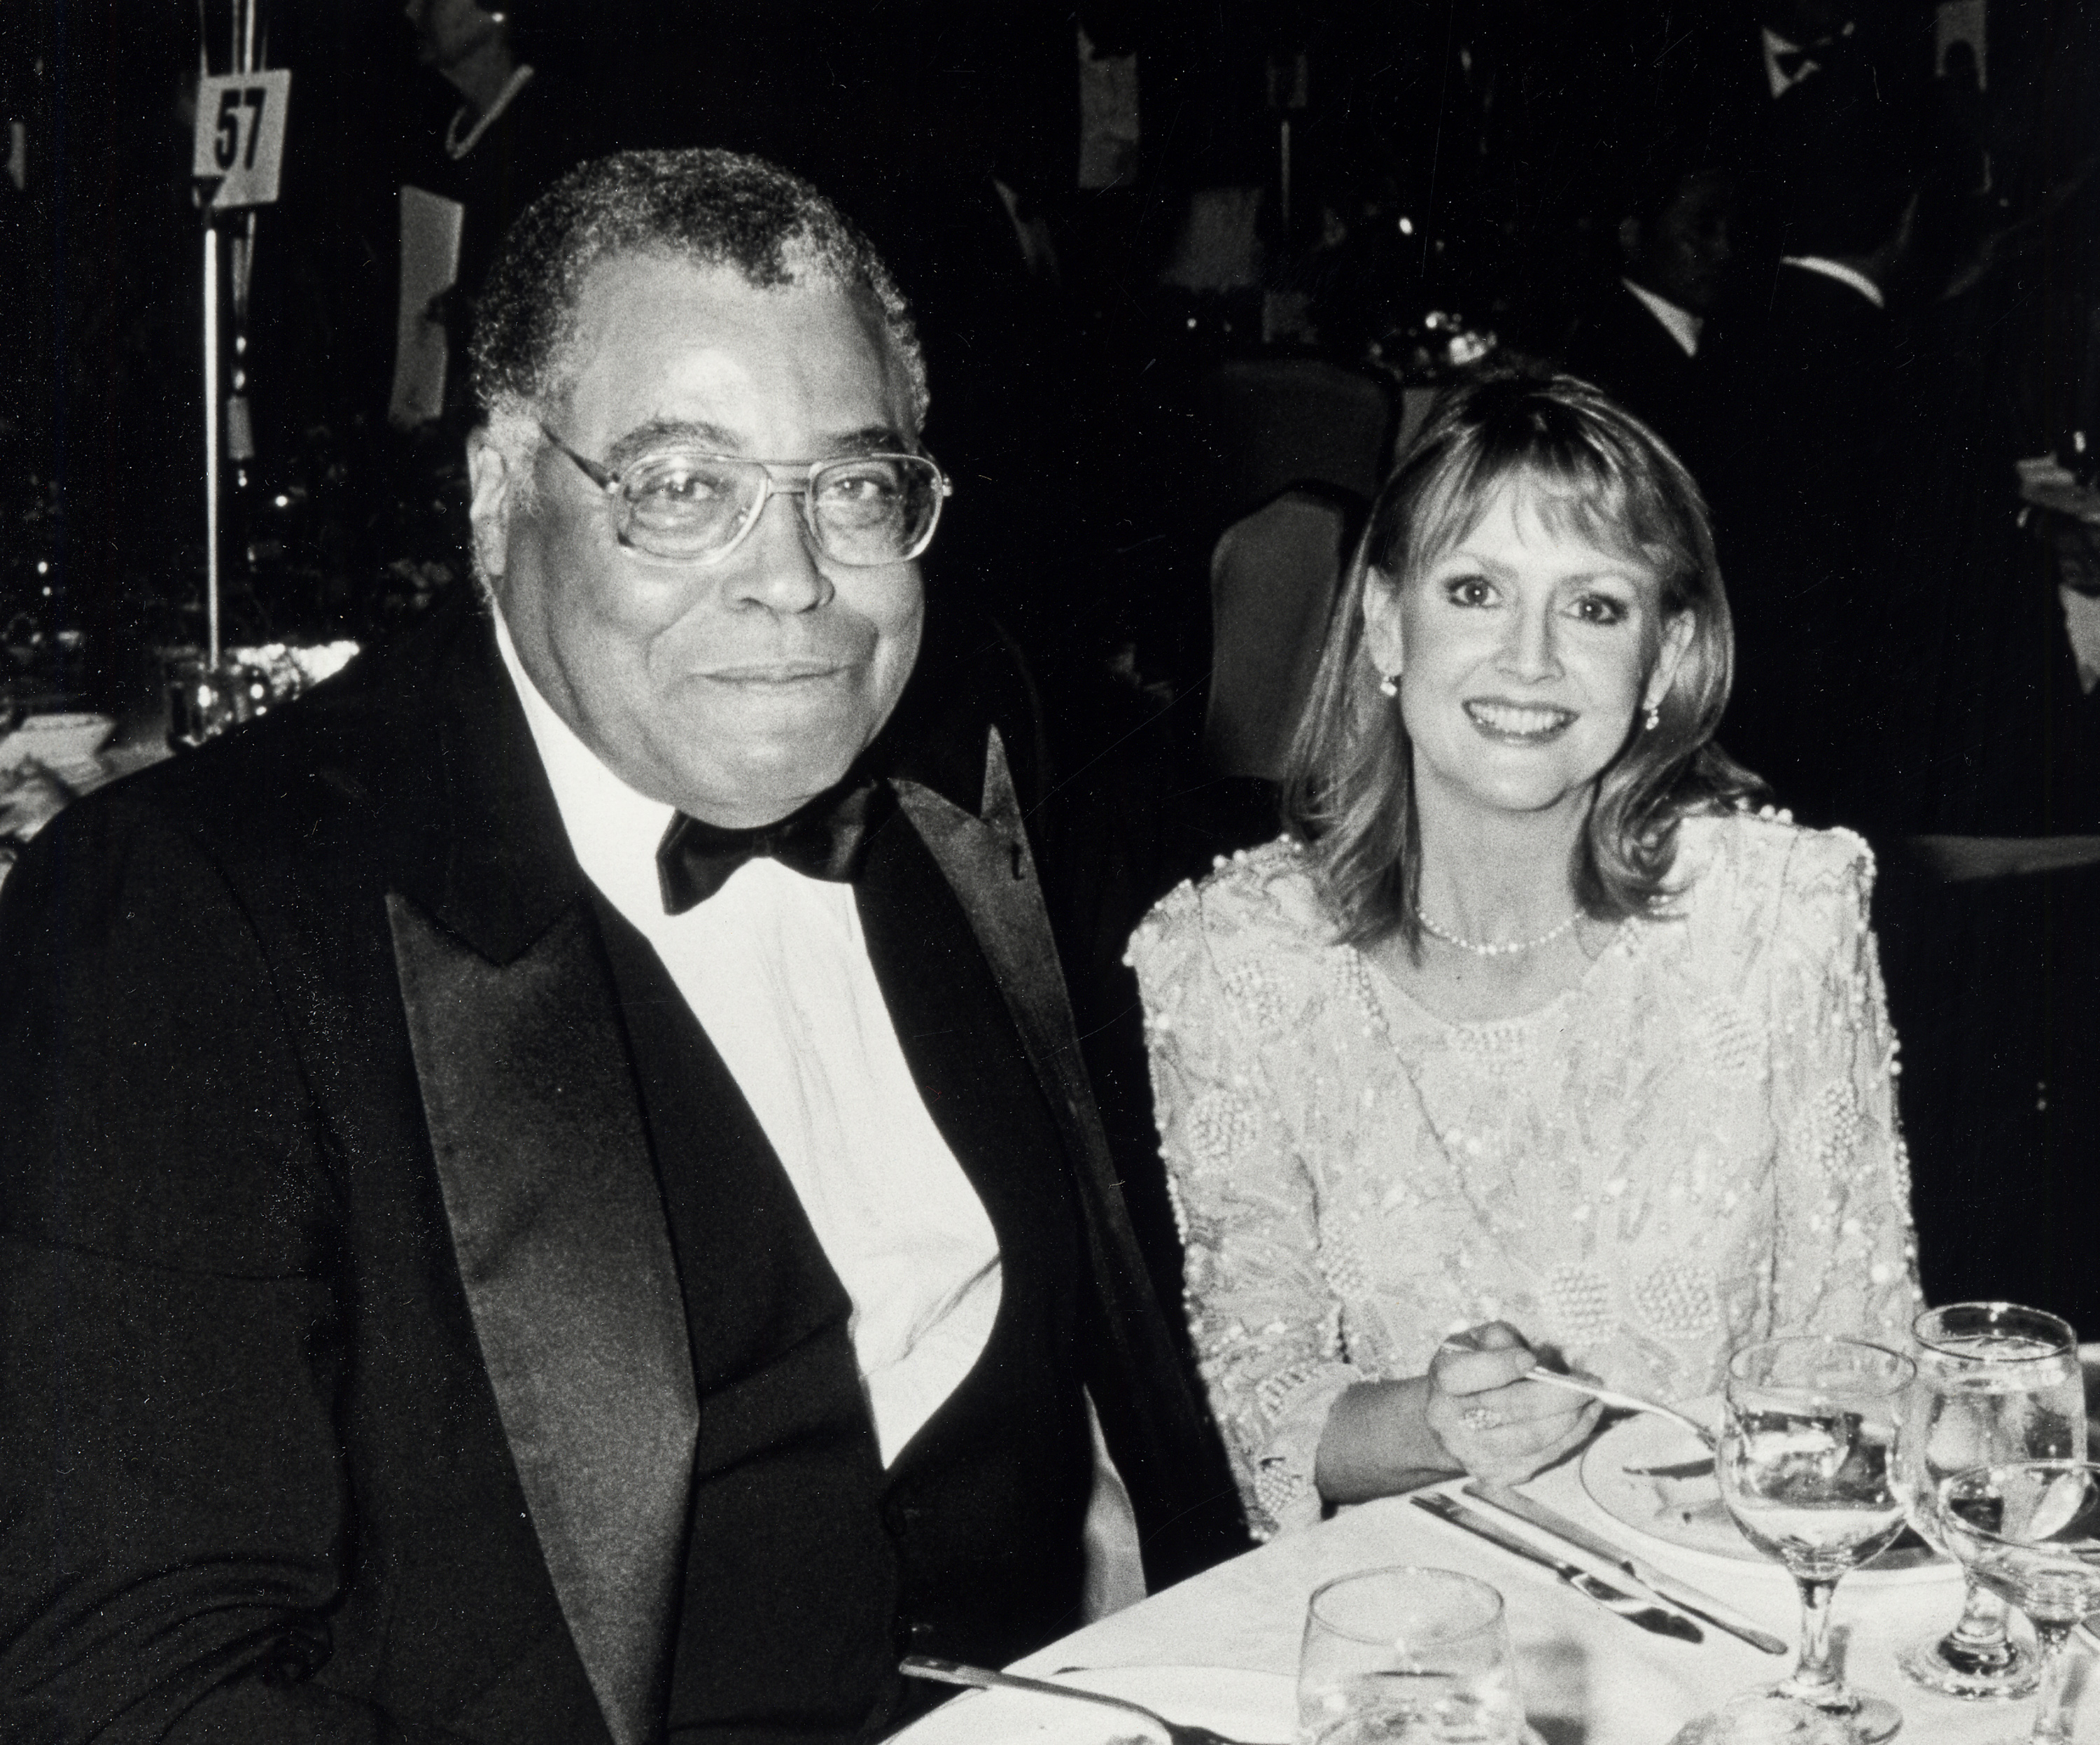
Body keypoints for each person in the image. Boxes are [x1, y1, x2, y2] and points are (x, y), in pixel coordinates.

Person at [0, 148, 1242, 1743]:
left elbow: (1101, 1419)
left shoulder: (949, 791)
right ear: (499, 495)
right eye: (681, 487)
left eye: (853, 488)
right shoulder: (186, 915)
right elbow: (126, 1679)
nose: (793, 583)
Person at [1128, 370, 1919, 1539]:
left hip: (1731, 1603)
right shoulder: (1232, 958)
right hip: (1418, 1630)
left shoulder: (1781, 914)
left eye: (1595, 606)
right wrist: (1433, 1419)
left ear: (1666, 655)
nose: (1530, 658)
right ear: (1389, 622)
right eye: (1478, 590)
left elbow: (1861, 1354)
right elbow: (1264, 1399)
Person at [1560, 160, 1740, 486]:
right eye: (1703, 229)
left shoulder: (1718, 341)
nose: (1724, 251)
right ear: (1632, 235)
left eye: (1732, 230)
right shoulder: (1611, 355)